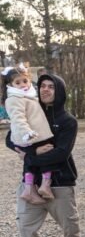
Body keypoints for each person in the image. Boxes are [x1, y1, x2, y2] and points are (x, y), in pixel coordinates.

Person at [5, 73, 85, 237]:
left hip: (59, 182)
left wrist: (28, 157)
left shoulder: (68, 121)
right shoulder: (28, 110)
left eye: (51, 86)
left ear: (59, 91)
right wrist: (33, 150)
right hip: (30, 184)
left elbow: (60, 154)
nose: (46, 90)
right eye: (42, 86)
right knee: (26, 228)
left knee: (70, 227)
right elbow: (10, 139)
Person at [3, 65, 55, 204]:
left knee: (31, 162)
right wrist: (27, 133)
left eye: (24, 81)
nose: (22, 85)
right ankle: (43, 185)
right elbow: (18, 119)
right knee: (45, 156)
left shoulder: (28, 96)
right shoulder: (14, 98)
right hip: (30, 135)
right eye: (17, 83)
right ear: (10, 85)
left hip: (33, 135)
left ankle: (31, 188)